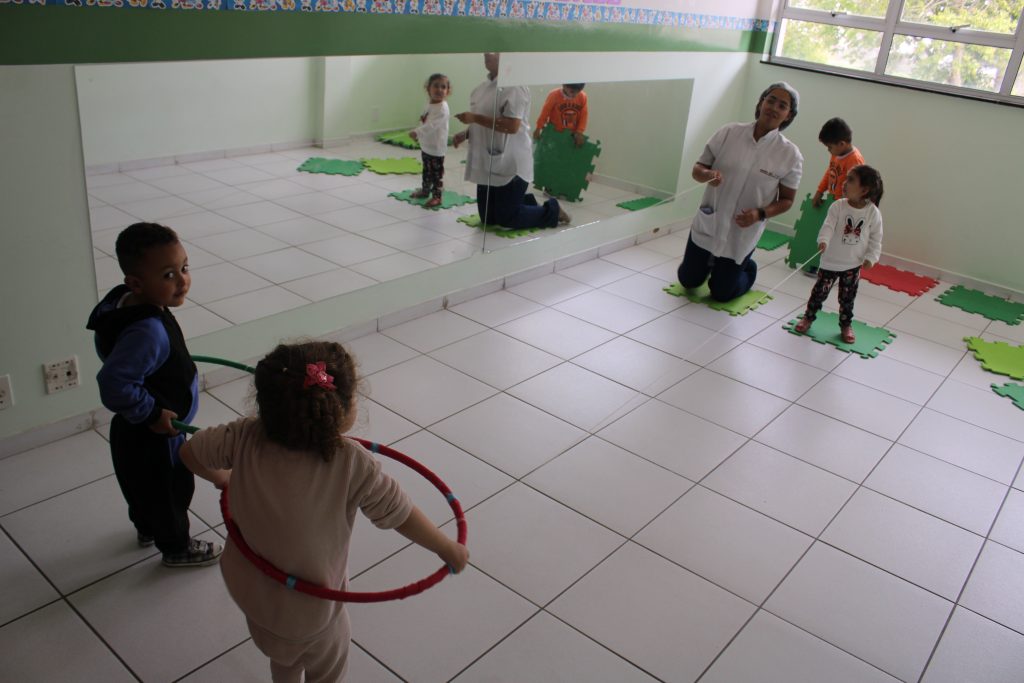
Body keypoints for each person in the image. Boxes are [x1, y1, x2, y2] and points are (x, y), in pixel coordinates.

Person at [179, 341, 469, 683]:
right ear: (337, 410)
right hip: (312, 616)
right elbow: (400, 513)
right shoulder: (353, 463)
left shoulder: (243, 435)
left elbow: (189, 453)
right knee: (326, 669)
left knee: (283, 658)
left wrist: (224, 479)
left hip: (251, 595)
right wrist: (446, 547)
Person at [86, 222, 223, 568]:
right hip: (157, 432)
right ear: (136, 283)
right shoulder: (147, 331)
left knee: (140, 485)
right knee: (170, 491)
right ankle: (177, 548)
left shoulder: (123, 303)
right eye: (168, 275)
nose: (182, 280)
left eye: (184, 268)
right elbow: (113, 382)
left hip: (131, 429)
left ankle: (147, 527)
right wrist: (151, 414)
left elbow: (113, 354)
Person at [677, 82, 804, 302]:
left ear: (788, 115)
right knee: (688, 280)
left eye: (782, 106)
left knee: (722, 293)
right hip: (710, 222)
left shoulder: (790, 155)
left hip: (742, 231)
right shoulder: (729, 132)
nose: (773, 108)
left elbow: (786, 200)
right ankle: (709, 264)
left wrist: (760, 214)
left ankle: (748, 268)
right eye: (771, 100)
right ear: (761, 102)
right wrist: (707, 175)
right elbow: (697, 170)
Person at [453, 52, 570, 229]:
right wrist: (466, 133)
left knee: (506, 218)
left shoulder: (515, 88)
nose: (487, 54)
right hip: (489, 159)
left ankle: (552, 210)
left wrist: (474, 118)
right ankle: (525, 202)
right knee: (488, 218)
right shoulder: (481, 89)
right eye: (487, 51)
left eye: (494, 52)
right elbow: (484, 120)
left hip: (511, 163)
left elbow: (512, 126)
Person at [794, 165, 884, 344]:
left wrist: (871, 257)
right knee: (818, 294)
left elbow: (876, 238)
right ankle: (808, 318)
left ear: (864, 190)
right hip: (830, 261)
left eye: (850, 180)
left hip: (852, 264)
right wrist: (823, 240)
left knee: (847, 299)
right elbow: (828, 226)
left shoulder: (873, 213)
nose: (844, 183)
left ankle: (845, 325)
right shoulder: (838, 206)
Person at [408, 73, 451, 208]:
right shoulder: (429, 104)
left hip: (436, 147)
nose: (439, 90)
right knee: (426, 170)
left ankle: (437, 197)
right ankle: (425, 190)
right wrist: (418, 134)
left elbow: (432, 125)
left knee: (436, 174)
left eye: (443, 87)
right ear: (428, 89)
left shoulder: (443, 108)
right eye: (436, 86)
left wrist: (418, 132)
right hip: (426, 145)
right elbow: (424, 120)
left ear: (447, 91)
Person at [811, 117, 866, 209]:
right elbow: (830, 172)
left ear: (841, 144)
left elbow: (856, 188)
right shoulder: (836, 153)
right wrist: (820, 191)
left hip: (845, 206)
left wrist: (845, 206)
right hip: (833, 202)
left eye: (830, 147)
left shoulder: (855, 160)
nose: (828, 150)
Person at [533, 83, 589, 147]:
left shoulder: (583, 97)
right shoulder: (554, 95)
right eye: (572, 92)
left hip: (571, 136)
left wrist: (579, 132)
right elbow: (545, 113)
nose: (575, 95)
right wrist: (538, 128)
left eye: (578, 91)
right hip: (554, 133)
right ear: (564, 85)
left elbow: (584, 116)